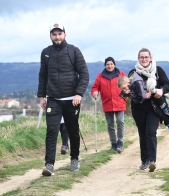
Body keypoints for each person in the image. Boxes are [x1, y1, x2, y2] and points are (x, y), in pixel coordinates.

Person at [37, 23, 89, 176]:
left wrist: (79, 94)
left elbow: (84, 74)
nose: (57, 37)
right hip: (53, 99)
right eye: (54, 34)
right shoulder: (46, 53)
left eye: (60, 34)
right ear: (50, 36)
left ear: (65, 35)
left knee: (73, 130)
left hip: (72, 99)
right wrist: (42, 96)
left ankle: (74, 159)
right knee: (52, 130)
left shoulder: (74, 51)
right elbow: (43, 75)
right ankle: (49, 165)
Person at [129, 48, 169, 172]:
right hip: (138, 108)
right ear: (138, 59)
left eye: (146, 57)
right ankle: (145, 160)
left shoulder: (158, 71)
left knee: (150, 133)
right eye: (141, 57)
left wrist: (161, 90)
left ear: (150, 58)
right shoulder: (133, 72)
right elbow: (129, 90)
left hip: (154, 108)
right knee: (142, 134)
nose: (144, 59)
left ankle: (152, 160)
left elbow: (168, 85)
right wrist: (139, 94)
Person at [91, 57, 127, 153]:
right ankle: (113, 143)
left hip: (119, 102)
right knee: (110, 125)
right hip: (107, 103)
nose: (109, 66)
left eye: (111, 64)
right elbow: (95, 87)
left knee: (120, 122)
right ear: (105, 65)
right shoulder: (100, 76)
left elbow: (127, 86)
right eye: (107, 64)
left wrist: (125, 97)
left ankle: (120, 142)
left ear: (114, 65)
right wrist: (95, 92)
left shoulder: (121, 74)